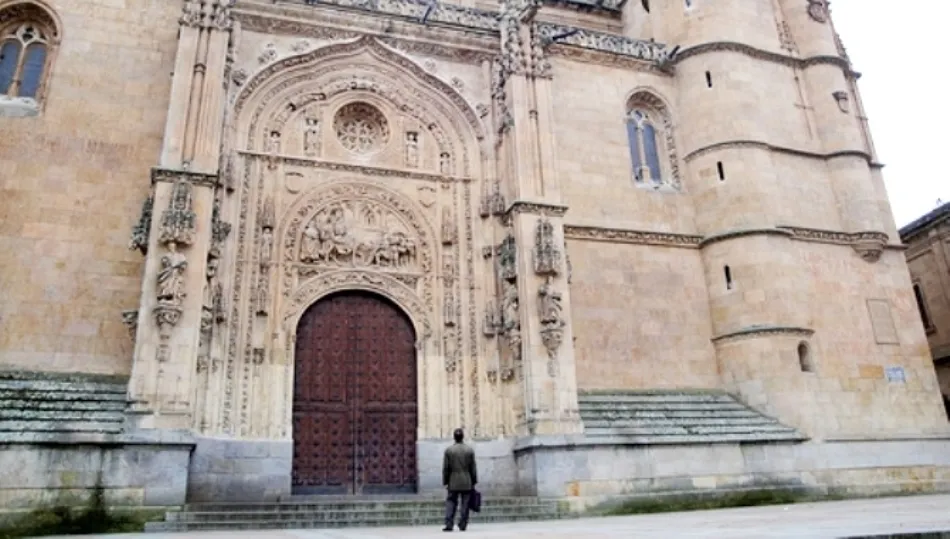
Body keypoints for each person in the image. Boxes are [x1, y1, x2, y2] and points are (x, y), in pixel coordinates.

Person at [442, 428, 477, 532]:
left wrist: (445, 481)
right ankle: (463, 524)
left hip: (453, 481)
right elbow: (473, 468)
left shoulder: (449, 450)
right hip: (467, 480)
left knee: (451, 502)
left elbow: (446, 468)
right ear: (463, 437)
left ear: (454, 437)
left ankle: (449, 524)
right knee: (465, 504)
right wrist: (474, 481)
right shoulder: (469, 450)